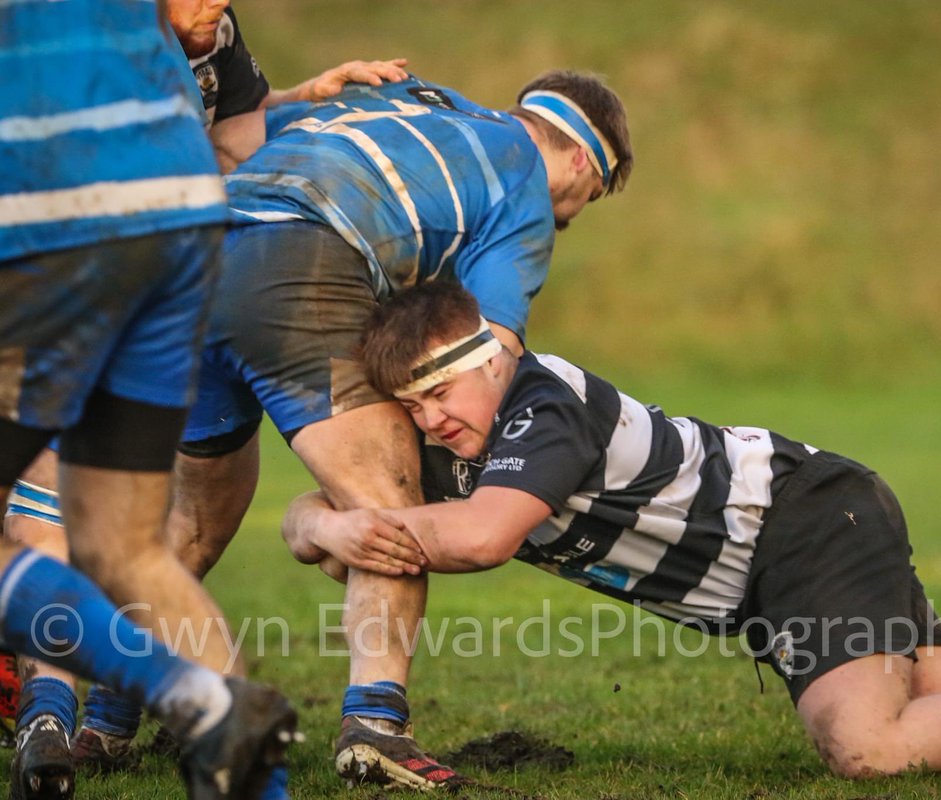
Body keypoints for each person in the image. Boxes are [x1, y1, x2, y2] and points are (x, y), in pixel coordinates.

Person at [282, 281, 941, 784]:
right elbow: (318, 526)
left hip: (803, 528)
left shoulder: (540, 407)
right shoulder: (466, 436)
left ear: (489, 355)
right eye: (412, 408)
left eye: (439, 394)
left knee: (870, 750)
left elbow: (479, 539)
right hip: (798, 535)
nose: (431, 422)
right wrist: (323, 517)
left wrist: (347, 527)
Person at [64, 67, 633, 790]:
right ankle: (376, 724)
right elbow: (485, 359)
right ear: (583, 159)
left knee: (193, 526)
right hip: (293, 261)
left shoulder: (415, 99)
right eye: (584, 201)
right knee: (388, 504)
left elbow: (235, 138)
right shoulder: (521, 177)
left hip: (190, 264)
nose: (570, 216)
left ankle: (106, 724)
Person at [2, 1, 409, 792]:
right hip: (173, 260)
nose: (218, 5)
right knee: (126, 548)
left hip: (69, 258)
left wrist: (298, 105)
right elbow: (221, 142)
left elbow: (225, 135)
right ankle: (228, 732)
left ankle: (63, 711)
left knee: (49, 515)